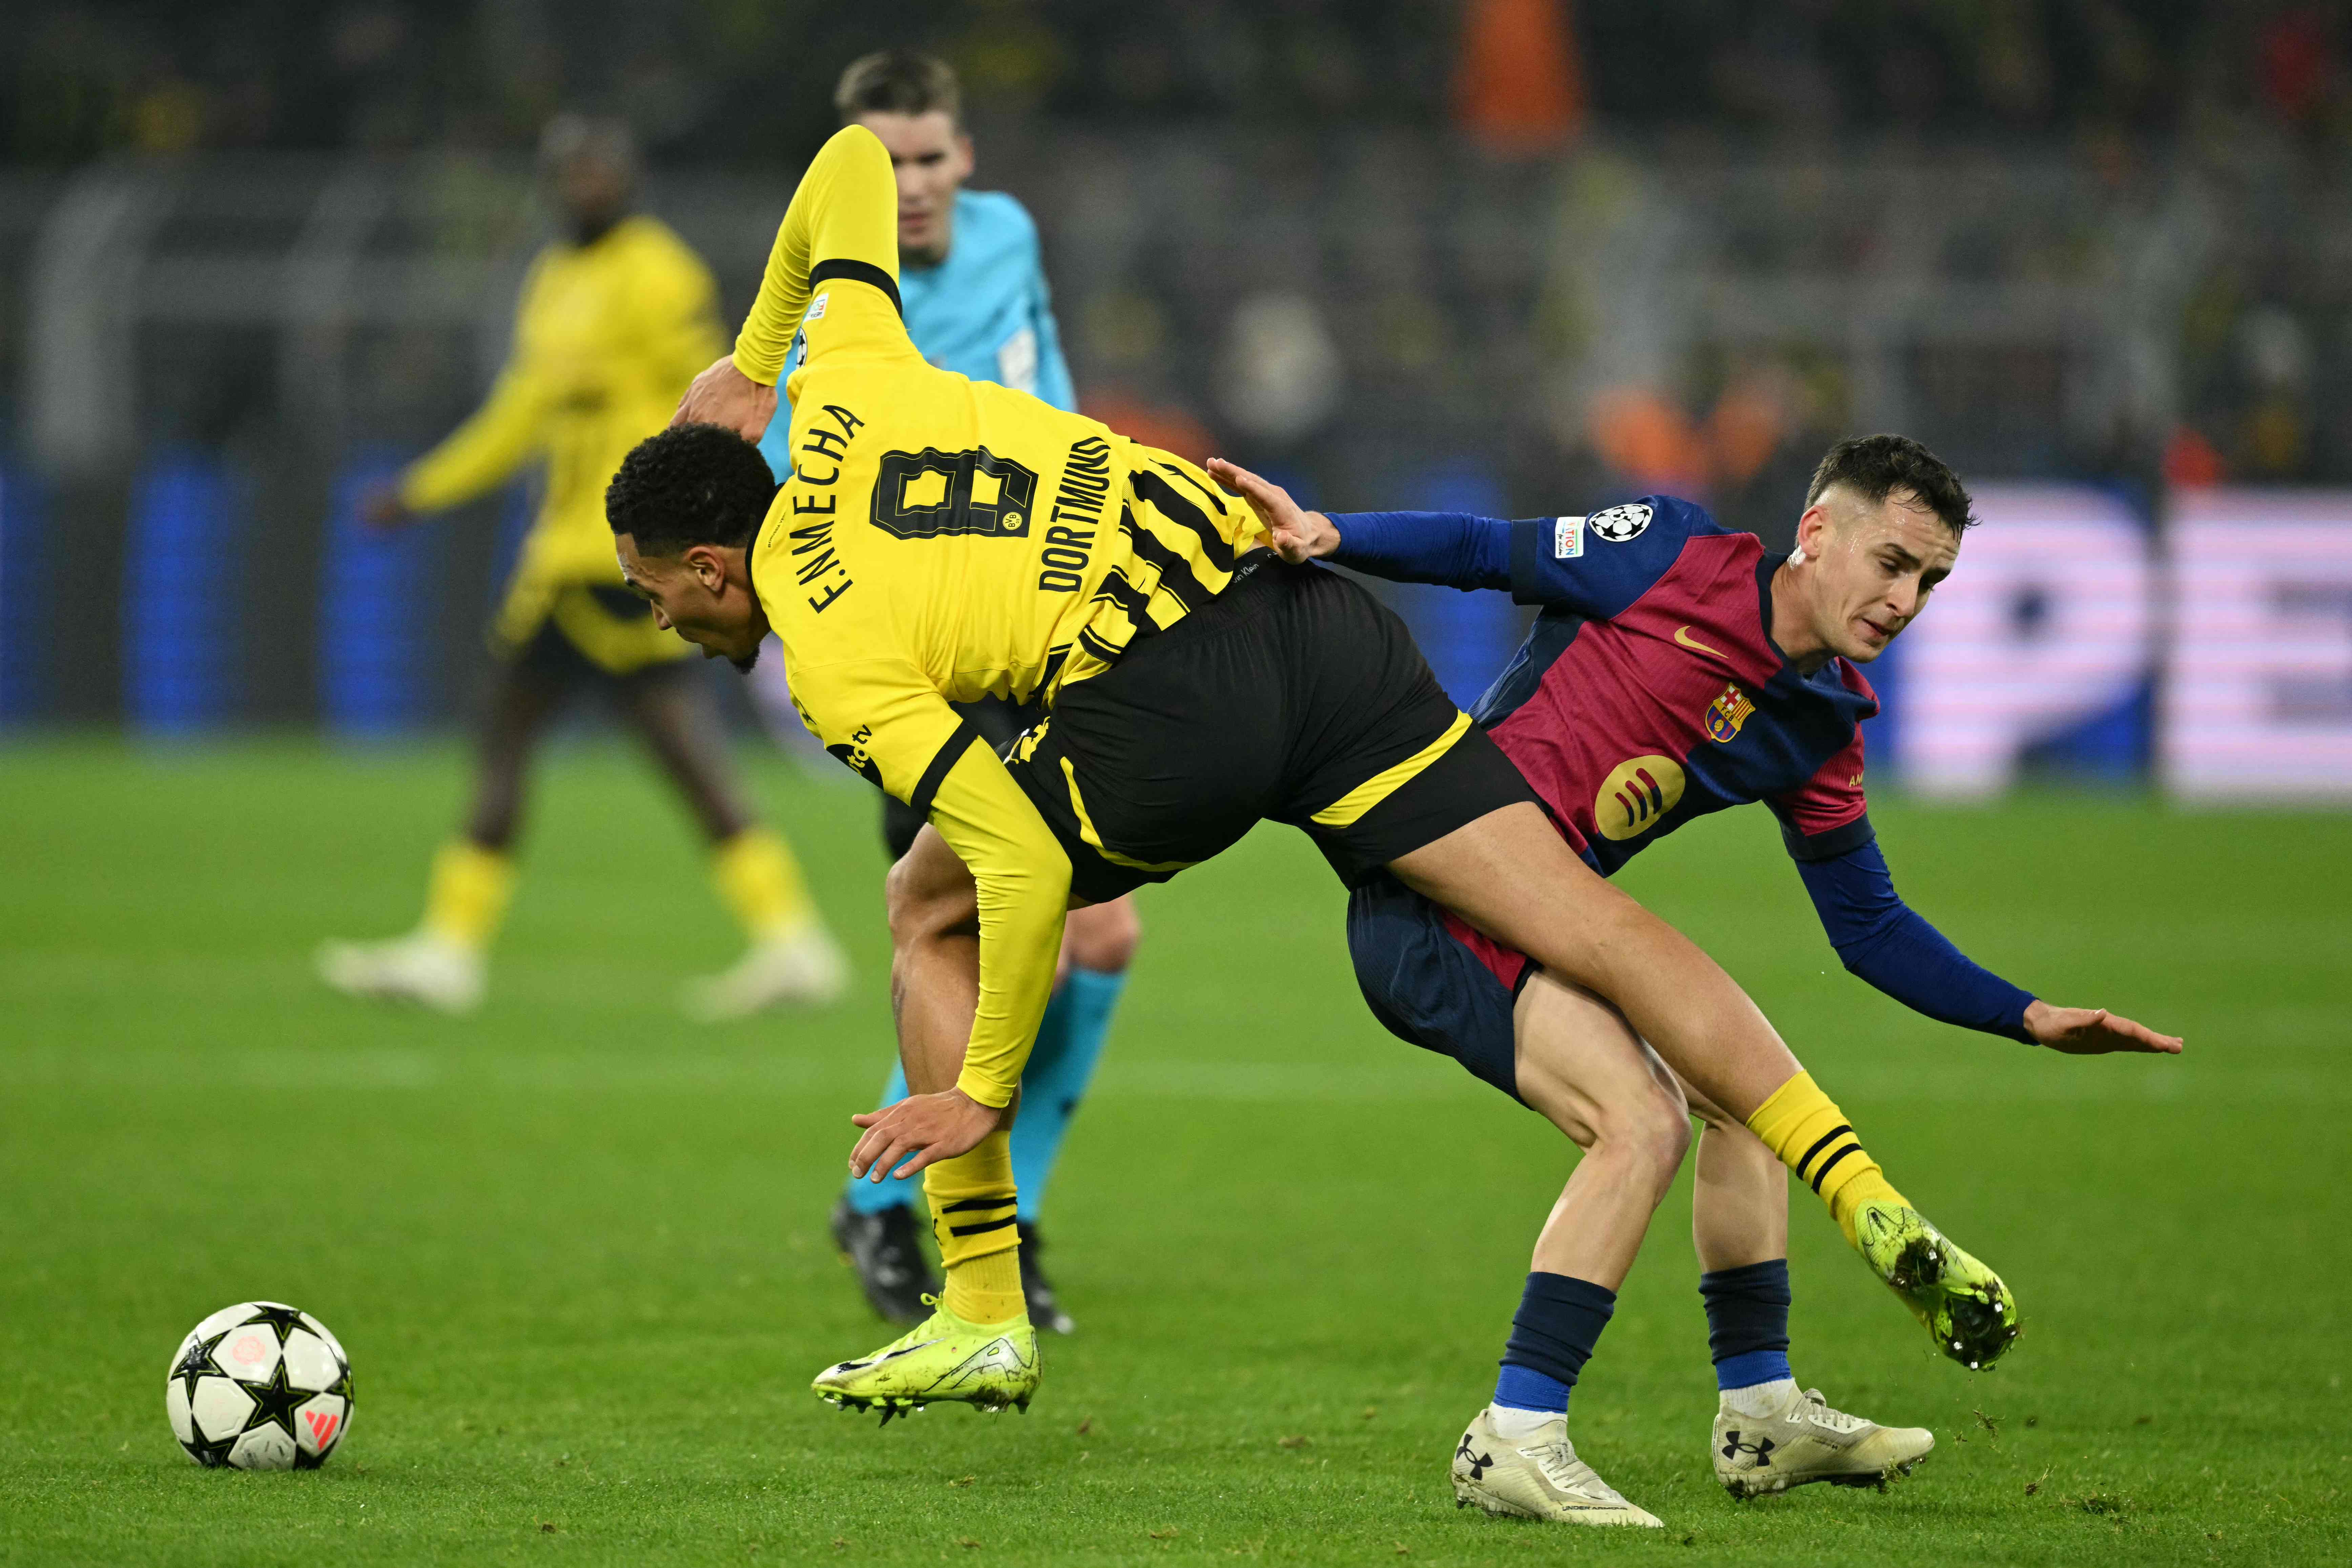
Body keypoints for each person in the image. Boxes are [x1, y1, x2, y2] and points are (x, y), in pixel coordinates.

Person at [608, 123, 2014, 1487]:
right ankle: (1854, 1188)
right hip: (1312, 622)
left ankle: (978, 1303)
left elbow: (1019, 863)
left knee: (925, 902)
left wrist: (979, 1091)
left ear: (713, 566)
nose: (654, 618)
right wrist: (750, 357)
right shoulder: (850, 364)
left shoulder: (828, 655)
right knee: (1583, 917)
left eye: (651, 588)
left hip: (1174, 709)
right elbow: (851, 157)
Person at [1208, 438, 2181, 1522]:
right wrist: (1337, 534)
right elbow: (1489, 549)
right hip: (1441, 905)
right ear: (1817, 533)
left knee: (1749, 1105)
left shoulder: (1819, 724)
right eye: (1895, 562)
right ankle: (1515, 1433)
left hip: (1559, 929)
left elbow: (1868, 927)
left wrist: (2031, 1015)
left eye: (1931, 581)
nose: (1906, 600)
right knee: (1645, 1122)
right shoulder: (1671, 553)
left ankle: (1759, 1410)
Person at [744, 52, 1129, 1335]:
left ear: (967, 156)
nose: (910, 186)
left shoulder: (1011, 234)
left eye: (930, 157)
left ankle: (974, 1217)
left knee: (1096, 937)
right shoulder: (835, 309)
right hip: (923, 650)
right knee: (971, 920)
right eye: (886, 162)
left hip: (1043, 620)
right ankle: (938, 1219)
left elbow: (1048, 384)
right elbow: (803, 475)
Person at [317, 115, 845, 1021]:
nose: (584, 186)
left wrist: (716, 519)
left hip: (621, 558)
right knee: (667, 751)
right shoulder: (553, 276)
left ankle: (451, 949)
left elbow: (723, 398)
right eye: (570, 172)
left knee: (513, 736)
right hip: (570, 552)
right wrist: (423, 490)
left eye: (599, 171)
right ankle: (792, 937)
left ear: (629, 178)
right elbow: (520, 414)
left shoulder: (659, 273)